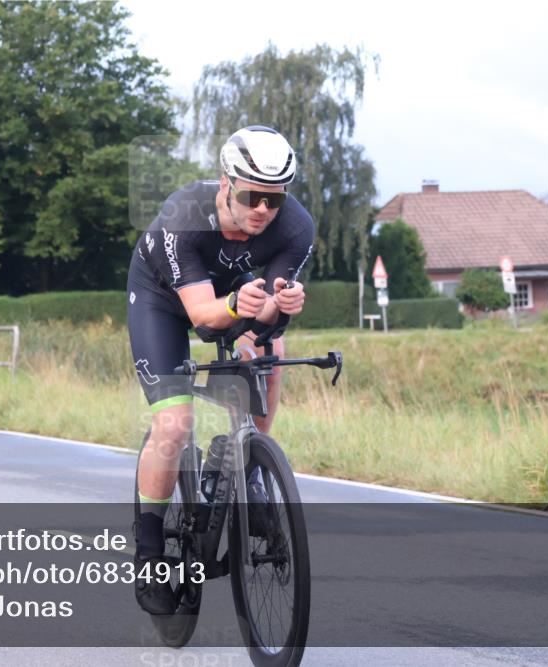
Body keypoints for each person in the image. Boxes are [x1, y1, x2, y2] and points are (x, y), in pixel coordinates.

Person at [127, 126, 314, 614]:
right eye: (252, 196)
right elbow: (203, 317)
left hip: (233, 292)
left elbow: (265, 315)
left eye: (275, 199)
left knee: (267, 353)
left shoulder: (296, 227)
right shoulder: (185, 216)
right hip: (163, 301)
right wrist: (236, 304)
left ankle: (247, 461)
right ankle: (149, 552)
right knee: (174, 424)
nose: (263, 210)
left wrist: (281, 306)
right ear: (226, 183)